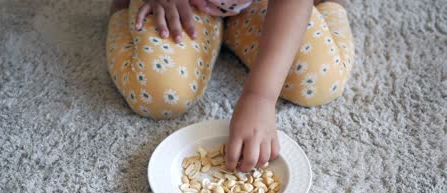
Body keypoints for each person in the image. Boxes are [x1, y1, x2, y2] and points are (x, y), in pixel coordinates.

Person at [107, 0, 354, 172]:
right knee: (159, 93)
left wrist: (260, 96)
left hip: (266, 7)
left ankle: (331, 4)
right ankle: (121, 9)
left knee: (322, 81)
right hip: (180, 6)